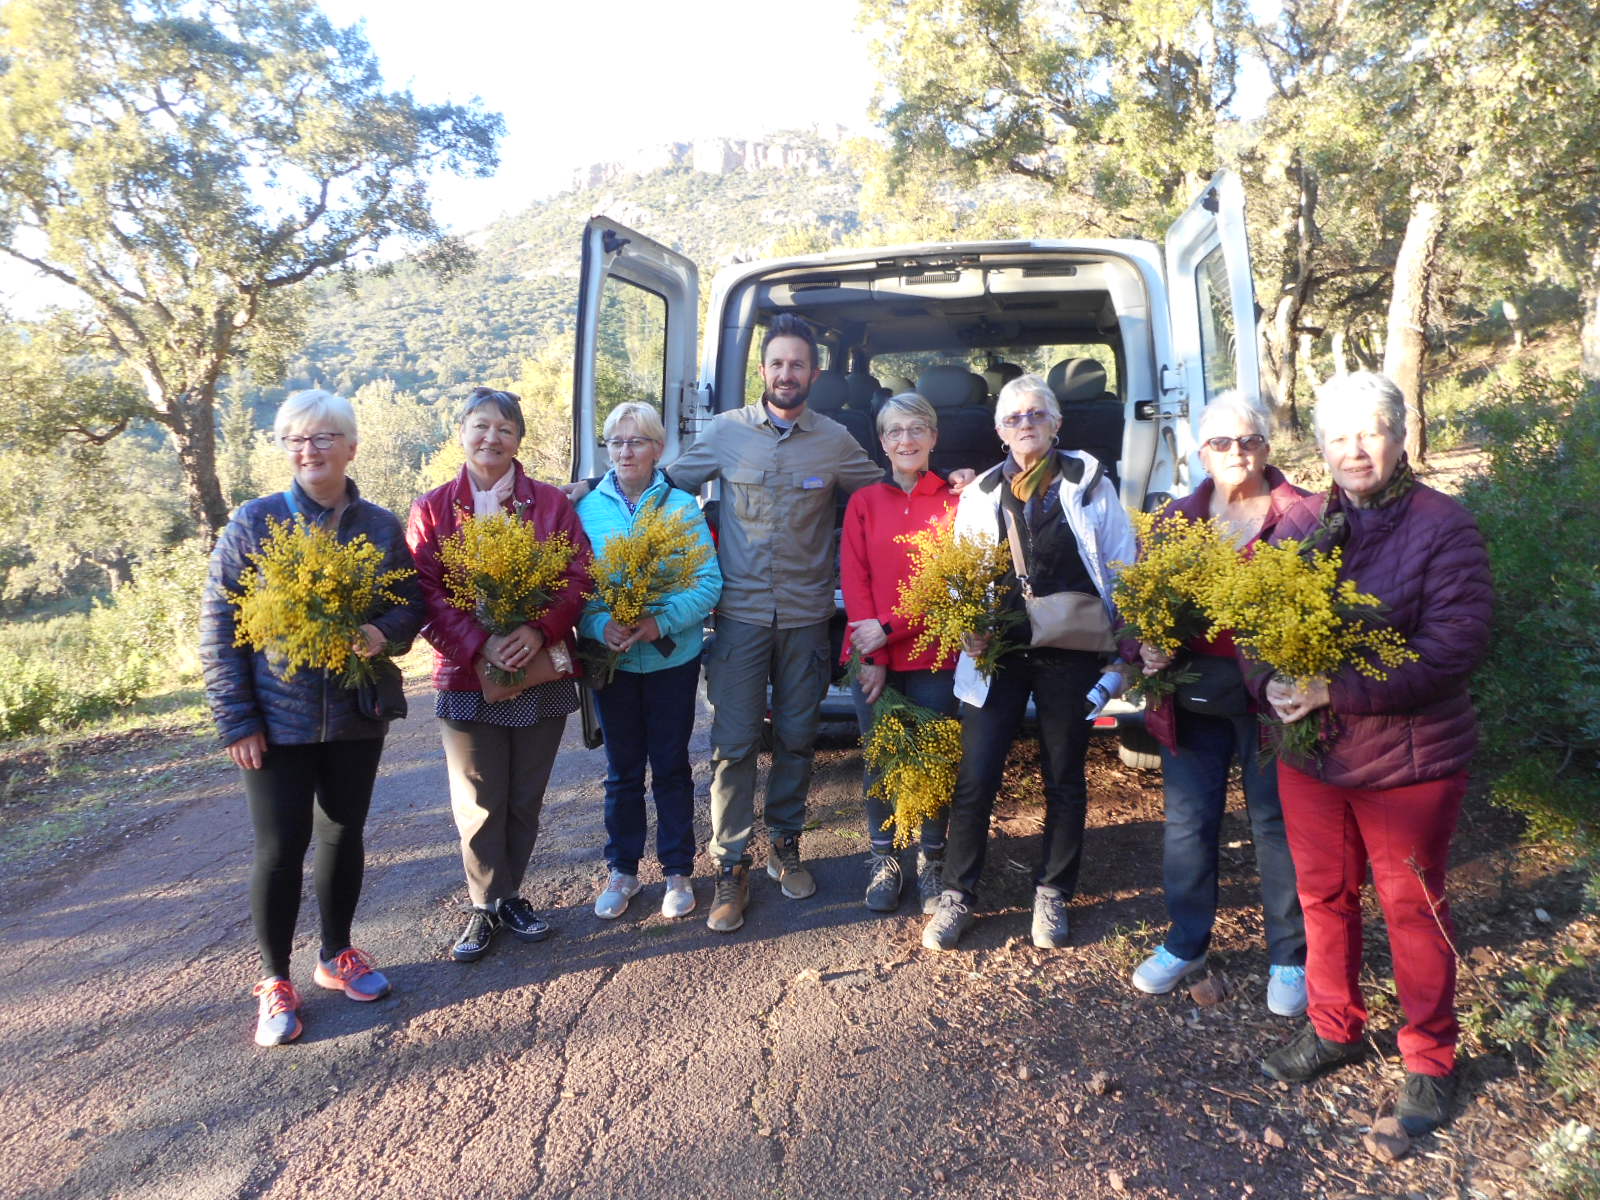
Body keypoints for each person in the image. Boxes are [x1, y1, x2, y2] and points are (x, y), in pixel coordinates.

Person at [1255, 372, 1492, 1137]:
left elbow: (1451, 650)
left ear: (1399, 436)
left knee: (1412, 911)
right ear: (1319, 446)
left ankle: (1428, 1059)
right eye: (1339, 436)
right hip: (1313, 757)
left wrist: (1332, 687)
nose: (1355, 450)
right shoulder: (1299, 525)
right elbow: (1257, 627)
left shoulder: (1443, 525)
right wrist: (1274, 687)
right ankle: (1334, 1026)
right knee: (1322, 896)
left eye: (1370, 432)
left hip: (1406, 762)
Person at [201, 389, 425, 1047]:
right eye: (296, 438)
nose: (310, 449)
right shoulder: (255, 521)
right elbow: (220, 628)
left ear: (351, 446)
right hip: (277, 719)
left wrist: (384, 633)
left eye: (324, 437)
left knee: (344, 832)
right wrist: (236, 718)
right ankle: (274, 979)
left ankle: (336, 954)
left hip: (357, 714)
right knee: (279, 848)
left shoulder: (381, 527)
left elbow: (411, 607)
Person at [666, 313, 883, 932]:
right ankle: (729, 865)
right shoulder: (728, 433)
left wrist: (951, 489)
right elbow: (664, 489)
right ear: (763, 371)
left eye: (798, 364)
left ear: (813, 372)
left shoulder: (837, 441)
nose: (787, 374)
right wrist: (588, 496)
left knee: (795, 739)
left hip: (809, 620)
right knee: (733, 747)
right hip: (737, 618)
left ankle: (785, 846)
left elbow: (885, 495)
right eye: (777, 363)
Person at [921, 374, 1138, 952]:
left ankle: (1052, 890)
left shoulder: (1089, 483)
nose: (1026, 424)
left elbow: (1123, 565)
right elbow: (961, 574)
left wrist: (1124, 656)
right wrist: (966, 623)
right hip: (1000, 650)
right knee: (978, 771)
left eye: (1036, 414)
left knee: (1064, 772)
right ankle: (957, 894)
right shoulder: (983, 492)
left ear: (1057, 422)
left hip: (1071, 647)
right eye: (1014, 417)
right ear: (998, 431)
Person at [1126, 392, 1309, 1016]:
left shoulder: (1303, 516)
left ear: (1266, 444)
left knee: (1275, 825)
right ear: (1201, 451)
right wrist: (1143, 646)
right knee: (1187, 823)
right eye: (1221, 443)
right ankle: (1185, 943)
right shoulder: (1178, 518)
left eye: (1249, 440)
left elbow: (1330, 610)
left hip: (1272, 702)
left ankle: (1290, 956)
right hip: (1192, 697)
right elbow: (1135, 612)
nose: (1236, 453)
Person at [407, 387, 592, 963]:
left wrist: (537, 630)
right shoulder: (432, 508)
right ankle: (485, 904)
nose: (492, 438)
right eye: (481, 426)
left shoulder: (549, 504)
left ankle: (512, 895)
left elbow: (577, 576)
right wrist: (480, 643)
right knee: (479, 799)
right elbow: (424, 593)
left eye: (505, 429)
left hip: (539, 671)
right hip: (465, 675)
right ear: (462, 432)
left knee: (524, 795)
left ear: (519, 440)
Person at [576, 401, 722, 920]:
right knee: (621, 771)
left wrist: (659, 623)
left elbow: (709, 584)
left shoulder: (682, 508)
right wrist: (599, 624)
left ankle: (679, 870)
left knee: (671, 766)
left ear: (659, 448)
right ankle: (624, 871)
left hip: (670, 661)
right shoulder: (586, 511)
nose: (625, 451)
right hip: (613, 665)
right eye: (616, 441)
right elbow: (576, 588)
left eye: (636, 441)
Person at [840, 392, 959, 914]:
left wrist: (890, 630)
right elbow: (855, 575)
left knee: (933, 761)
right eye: (894, 432)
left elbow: (952, 584)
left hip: (936, 653)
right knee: (881, 759)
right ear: (882, 443)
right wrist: (874, 651)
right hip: (873, 656)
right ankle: (883, 857)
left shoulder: (959, 501)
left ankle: (933, 859)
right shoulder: (864, 502)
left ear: (933, 437)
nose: (905, 440)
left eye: (916, 429)